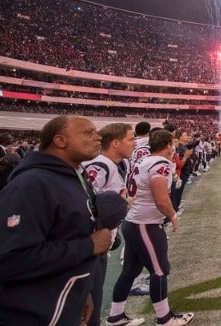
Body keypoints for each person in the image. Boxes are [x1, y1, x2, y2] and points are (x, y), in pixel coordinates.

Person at [0, 115, 113, 325]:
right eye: (88, 132)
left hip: (52, 303)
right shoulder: (32, 184)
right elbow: (5, 261)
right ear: (60, 140)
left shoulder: (70, 177)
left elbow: (64, 234)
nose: (98, 137)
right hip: (15, 315)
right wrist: (89, 245)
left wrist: (82, 291)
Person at [107, 129, 194, 326]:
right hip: (144, 223)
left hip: (134, 221)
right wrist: (172, 215)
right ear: (168, 145)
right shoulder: (159, 163)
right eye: (172, 144)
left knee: (130, 270)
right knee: (160, 269)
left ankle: (115, 316)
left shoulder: (143, 160)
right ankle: (165, 318)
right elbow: (160, 197)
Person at [82, 123, 139, 326]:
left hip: (103, 240)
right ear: (115, 143)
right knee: (88, 307)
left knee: (93, 303)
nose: (135, 143)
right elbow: (85, 200)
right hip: (92, 244)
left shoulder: (114, 164)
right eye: (131, 139)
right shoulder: (101, 164)